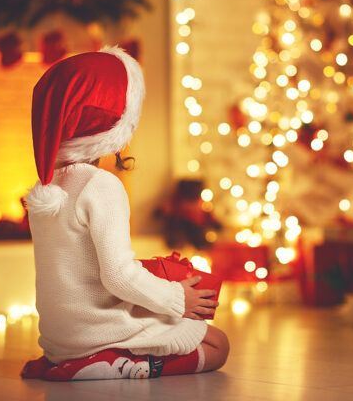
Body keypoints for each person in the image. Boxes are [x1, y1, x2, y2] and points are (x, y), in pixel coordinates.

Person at [20, 47, 229, 381]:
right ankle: (112, 364)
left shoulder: (45, 188)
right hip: (96, 330)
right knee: (217, 344)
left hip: (59, 337)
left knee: (179, 325)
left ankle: (74, 361)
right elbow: (118, 277)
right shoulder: (101, 185)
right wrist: (178, 299)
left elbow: (83, 273)